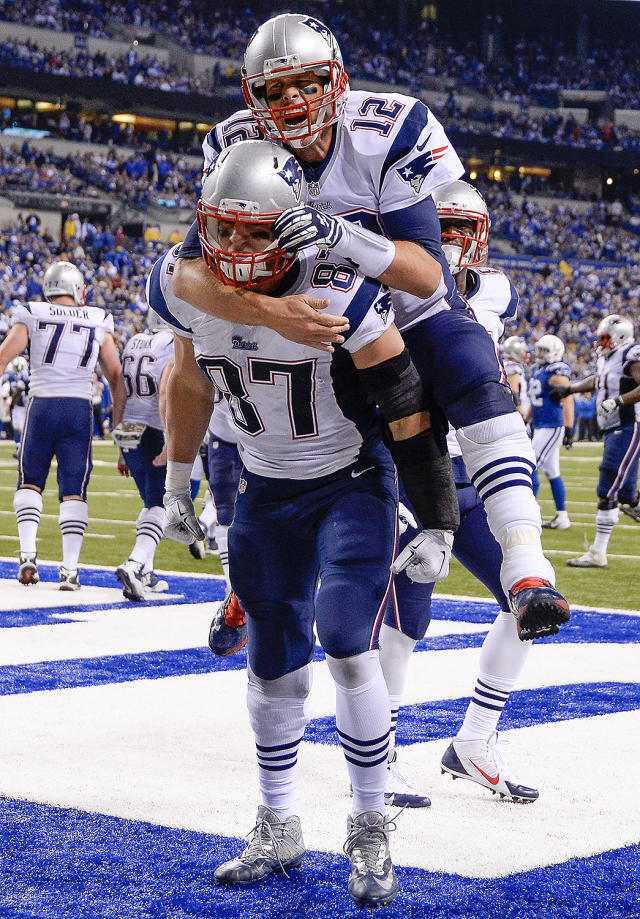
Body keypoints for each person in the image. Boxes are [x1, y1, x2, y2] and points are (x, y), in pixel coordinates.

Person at [174, 13, 569, 643]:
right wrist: (275, 312)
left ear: (336, 80)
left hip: (396, 310)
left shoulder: (385, 128)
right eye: (275, 90)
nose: (293, 101)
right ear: (253, 97)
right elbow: (184, 275)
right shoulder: (235, 143)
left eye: (305, 82)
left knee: (471, 370)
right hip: (311, 321)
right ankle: (247, 588)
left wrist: (338, 233)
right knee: (287, 445)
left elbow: (428, 278)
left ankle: (526, 565)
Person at [153, 139, 461, 909]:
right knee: (271, 658)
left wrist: (437, 516)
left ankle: (368, 824)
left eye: (256, 231)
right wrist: (179, 480)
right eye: (222, 228)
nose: (233, 247)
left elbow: (404, 397)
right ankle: (279, 822)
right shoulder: (185, 282)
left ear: (295, 224)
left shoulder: (341, 287)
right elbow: (187, 378)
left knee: (349, 640)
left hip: (350, 480)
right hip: (262, 485)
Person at [381, 180, 539, 806]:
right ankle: (380, 752)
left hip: (467, 471)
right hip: (402, 468)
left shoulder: (492, 290)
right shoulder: (380, 286)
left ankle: (474, 739)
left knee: (527, 600)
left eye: (457, 230)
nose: (448, 242)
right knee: (405, 616)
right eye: (436, 227)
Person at [0, 260, 125, 589]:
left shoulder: (32, 311)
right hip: (78, 410)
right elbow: (115, 375)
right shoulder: (98, 318)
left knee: (30, 483)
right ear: (76, 288)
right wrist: (120, 422)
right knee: (74, 491)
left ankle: (28, 555)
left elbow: (3, 357)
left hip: (41, 406)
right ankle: (70, 570)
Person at [551, 315, 640, 566]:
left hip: (629, 424)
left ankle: (598, 553)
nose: (600, 342)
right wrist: (570, 389)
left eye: (605, 338)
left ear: (620, 336)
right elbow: (598, 381)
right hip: (613, 428)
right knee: (625, 494)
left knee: (608, 484)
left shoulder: (630, 353)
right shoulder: (608, 358)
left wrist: (619, 401)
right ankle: (632, 506)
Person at [112, 310, 174, 601]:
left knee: (149, 502)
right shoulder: (172, 342)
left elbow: (120, 391)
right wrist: (170, 436)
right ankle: (135, 565)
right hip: (153, 427)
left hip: (128, 427)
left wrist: (119, 444)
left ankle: (146, 572)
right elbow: (166, 393)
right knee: (160, 503)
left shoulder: (133, 341)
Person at [527, 335, 574, 530]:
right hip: (540, 424)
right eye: (539, 349)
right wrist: (526, 419)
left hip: (552, 425)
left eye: (544, 350)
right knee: (552, 471)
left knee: (530, 466)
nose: (540, 354)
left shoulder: (557, 371)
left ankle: (529, 513)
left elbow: (568, 397)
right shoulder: (539, 370)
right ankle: (562, 516)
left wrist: (569, 427)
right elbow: (535, 400)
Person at [501, 336, 530, 421]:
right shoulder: (513, 367)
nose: (526, 355)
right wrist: (520, 412)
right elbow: (513, 390)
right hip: (515, 413)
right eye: (524, 352)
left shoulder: (503, 364)